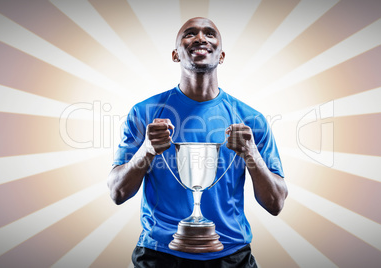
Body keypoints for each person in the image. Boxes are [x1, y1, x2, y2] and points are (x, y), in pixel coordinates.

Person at [107, 17, 288, 268]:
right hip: (160, 255)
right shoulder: (144, 113)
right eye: (190, 33)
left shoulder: (251, 120)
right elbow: (117, 193)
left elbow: (276, 203)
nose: (200, 38)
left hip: (231, 255)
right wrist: (146, 151)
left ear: (221, 56)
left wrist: (250, 154)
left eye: (210, 34)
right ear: (175, 54)